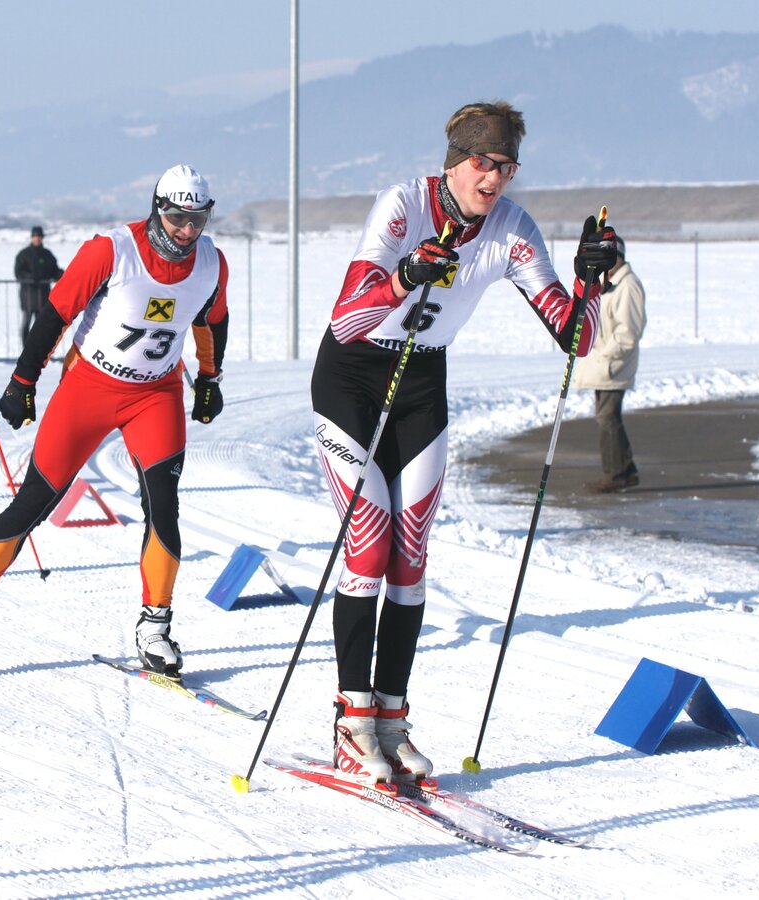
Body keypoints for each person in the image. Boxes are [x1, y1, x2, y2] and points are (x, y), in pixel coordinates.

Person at [309, 100, 617, 785]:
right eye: (484, 162)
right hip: (354, 379)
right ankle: (352, 724)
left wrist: (594, 279)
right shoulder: (402, 206)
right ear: (455, 162)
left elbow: (575, 338)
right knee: (368, 544)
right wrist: (405, 276)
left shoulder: (513, 228)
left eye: (507, 167)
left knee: (409, 558)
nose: (495, 179)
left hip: (421, 384)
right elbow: (347, 318)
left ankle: (392, 720)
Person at [0, 164, 229, 677]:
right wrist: (22, 382)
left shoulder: (211, 262)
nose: (187, 231)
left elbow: (212, 319)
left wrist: (209, 379)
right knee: (34, 501)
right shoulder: (112, 250)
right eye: (176, 218)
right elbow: (56, 313)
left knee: (163, 506)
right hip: (90, 388)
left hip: (156, 394)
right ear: (157, 209)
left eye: (197, 220)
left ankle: (155, 627)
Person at [574, 236, 647, 492]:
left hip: (613, 365)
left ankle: (615, 475)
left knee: (607, 418)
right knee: (607, 417)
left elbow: (628, 332)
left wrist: (605, 356)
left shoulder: (628, 286)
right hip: (603, 364)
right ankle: (625, 470)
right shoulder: (610, 284)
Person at [14, 225, 64, 348]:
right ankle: (25, 349)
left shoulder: (47, 254)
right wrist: (31, 278)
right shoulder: (24, 254)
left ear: (42, 238)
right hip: (28, 296)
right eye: (35, 236)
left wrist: (62, 275)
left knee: (41, 325)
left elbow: (54, 271)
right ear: (31, 237)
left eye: (39, 236)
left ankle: (39, 348)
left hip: (43, 296)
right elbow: (18, 273)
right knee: (26, 323)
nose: (37, 238)